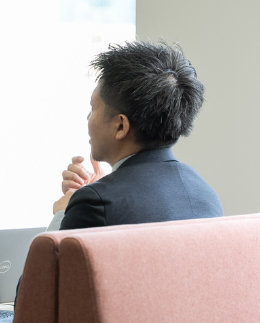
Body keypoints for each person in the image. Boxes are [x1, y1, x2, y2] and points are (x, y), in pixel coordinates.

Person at [49, 41, 222, 231]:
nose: (88, 117)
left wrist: (64, 212)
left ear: (121, 126)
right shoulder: (205, 194)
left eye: (93, 108)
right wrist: (100, 187)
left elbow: (48, 261)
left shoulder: (94, 204)